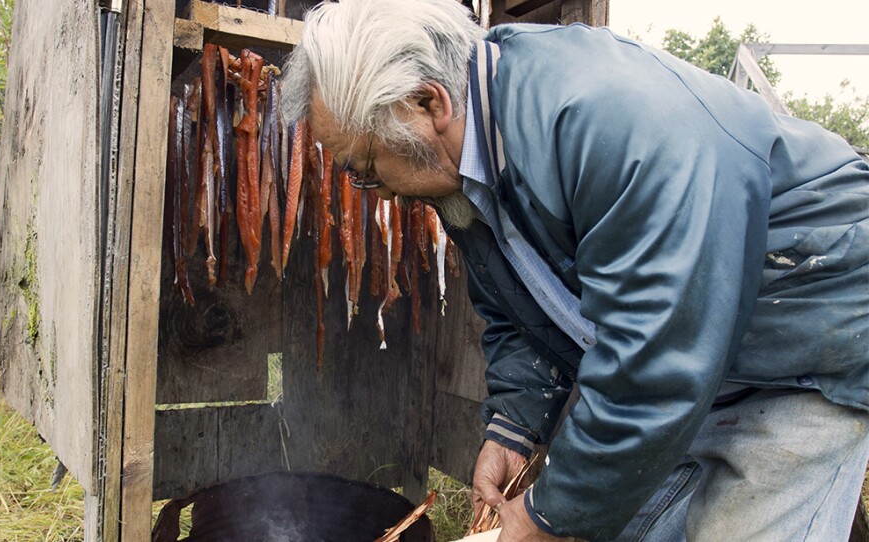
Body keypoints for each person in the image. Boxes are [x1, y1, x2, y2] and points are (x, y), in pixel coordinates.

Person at [280, 0, 869, 540]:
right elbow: (518, 309)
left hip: (803, 349)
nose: (372, 190)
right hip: (691, 374)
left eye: (364, 167)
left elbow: (657, 351)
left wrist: (549, 517)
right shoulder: (462, 170)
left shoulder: (606, 116)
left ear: (428, 103)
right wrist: (515, 425)